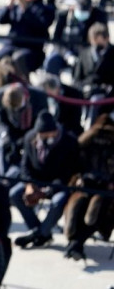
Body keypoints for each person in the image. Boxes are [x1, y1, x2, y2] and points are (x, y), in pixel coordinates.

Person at [10, 111, 81, 248]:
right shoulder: (30, 137)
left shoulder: (69, 142)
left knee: (58, 202)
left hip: (58, 185)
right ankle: (41, 231)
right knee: (15, 194)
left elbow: (68, 174)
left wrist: (46, 192)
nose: (40, 138)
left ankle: (39, 234)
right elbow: (25, 166)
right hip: (36, 182)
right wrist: (29, 184)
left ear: (53, 132)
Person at [63, 111, 114, 261]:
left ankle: (76, 243)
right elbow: (75, 166)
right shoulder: (86, 145)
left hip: (106, 190)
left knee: (97, 208)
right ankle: (75, 243)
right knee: (79, 203)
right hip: (86, 184)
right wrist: (77, 178)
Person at [46, 0, 107, 76]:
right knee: (52, 62)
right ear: (74, 6)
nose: (82, 13)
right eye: (80, 10)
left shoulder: (99, 17)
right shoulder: (64, 16)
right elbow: (56, 40)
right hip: (66, 51)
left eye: (85, 11)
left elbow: (102, 39)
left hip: (87, 53)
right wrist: (67, 55)